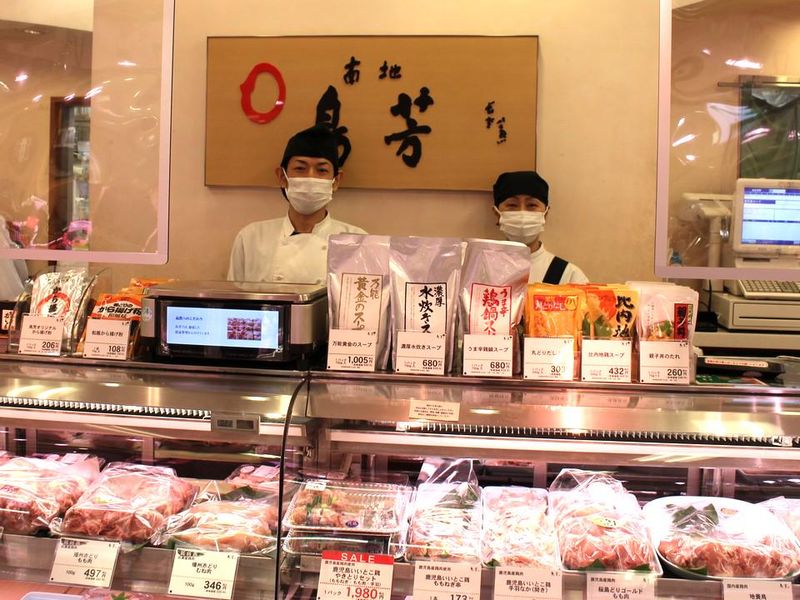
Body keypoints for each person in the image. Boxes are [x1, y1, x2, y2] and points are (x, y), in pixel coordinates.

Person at [227, 125, 366, 284]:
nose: (310, 178)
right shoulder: (251, 238)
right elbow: (233, 298)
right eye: (300, 168)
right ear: (282, 177)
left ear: (336, 181)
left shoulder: (358, 242)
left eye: (321, 170)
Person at [492, 170, 588, 284]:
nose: (522, 213)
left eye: (532, 205)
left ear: (545, 214)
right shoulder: (483, 268)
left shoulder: (569, 275)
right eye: (512, 205)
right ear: (497, 214)